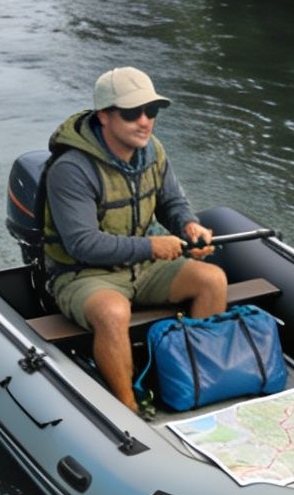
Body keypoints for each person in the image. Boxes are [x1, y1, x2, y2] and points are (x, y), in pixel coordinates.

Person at [40, 67, 224, 412]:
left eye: (150, 111)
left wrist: (189, 226)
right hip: (84, 274)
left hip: (142, 266)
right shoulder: (72, 170)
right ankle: (129, 409)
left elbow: (172, 203)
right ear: (104, 117)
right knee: (112, 312)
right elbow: (83, 244)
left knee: (211, 280)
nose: (144, 121)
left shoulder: (152, 150)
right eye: (131, 113)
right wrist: (152, 246)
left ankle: (197, 383)